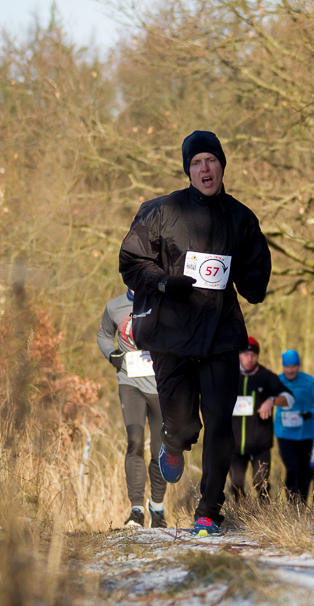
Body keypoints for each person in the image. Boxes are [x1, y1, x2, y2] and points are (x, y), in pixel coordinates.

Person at [119, 130, 271, 537]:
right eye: (197, 162)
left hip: (221, 336)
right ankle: (172, 441)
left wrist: (247, 277)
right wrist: (166, 283)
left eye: (211, 160)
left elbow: (257, 272)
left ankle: (209, 511)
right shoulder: (160, 211)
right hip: (172, 337)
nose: (205, 169)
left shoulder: (241, 218)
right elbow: (131, 260)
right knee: (186, 427)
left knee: (221, 422)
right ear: (188, 170)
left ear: (222, 164)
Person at [97, 289, 168, 528]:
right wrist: (111, 354)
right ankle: (136, 509)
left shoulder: (162, 302)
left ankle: (157, 508)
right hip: (130, 383)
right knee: (135, 440)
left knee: (161, 449)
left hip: (160, 387)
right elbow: (105, 336)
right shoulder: (114, 306)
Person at [230, 336, 294, 503]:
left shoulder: (266, 377)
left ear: (257, 356)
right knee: (236, 484)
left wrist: (272, 401)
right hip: (234, 443)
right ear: (239, 355)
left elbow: (289, 398)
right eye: (245, 355)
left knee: (261, 484)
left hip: (260, 443)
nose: (249, 359)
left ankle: (265, 519)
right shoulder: (229, 375)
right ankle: (240, 519)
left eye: (253, 355)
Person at [274, 349, 314, 502]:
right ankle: (292, 504)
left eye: (294, 366)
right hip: (284, 433)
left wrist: (310, 413)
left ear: (298, 366)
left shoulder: (308, 382)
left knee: (304, 471)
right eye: (287, 367)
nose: (290, 370)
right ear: (283, 367)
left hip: (305, 434)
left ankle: (302, 504)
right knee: (291, 468)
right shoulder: (277, 382)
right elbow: (263, 398)